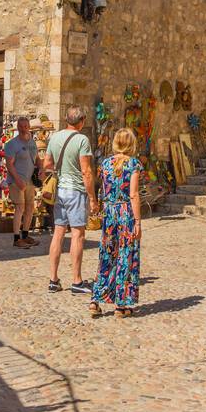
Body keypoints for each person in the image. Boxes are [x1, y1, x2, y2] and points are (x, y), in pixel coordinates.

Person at [43, 106, 98, 296]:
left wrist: (61, 169)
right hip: (75, 191)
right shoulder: (82, 140)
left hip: (60, 191)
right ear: (81, 121)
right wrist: (93, 199)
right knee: (77, 235)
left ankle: (53, 279)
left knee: (58, 233)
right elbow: (86, 171)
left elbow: (47, 164)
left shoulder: (55, 137)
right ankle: (76, 280)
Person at [90, 127, 142, 319]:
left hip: (109, 213)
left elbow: (103, 188)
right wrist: (137, 221)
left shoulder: (105, 164)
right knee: (125, 256)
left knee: (107, 255)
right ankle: (121, 304)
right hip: (125, 212)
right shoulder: (133, 164)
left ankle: (95, 300)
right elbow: (134, 194)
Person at [4, 116, 42, 249]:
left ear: (29, 127)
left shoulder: (32, 142)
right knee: (20, 208)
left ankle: (25, 235)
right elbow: (9, 164)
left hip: (30, 180)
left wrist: (41, 168)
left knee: (30, 207)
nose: (24, 128)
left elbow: (37, 158)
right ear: (18, 127)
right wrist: (18, 180)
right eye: (21, 126)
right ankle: (16, 238)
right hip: (17, 181)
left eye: (26, 126)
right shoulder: (11, 144)